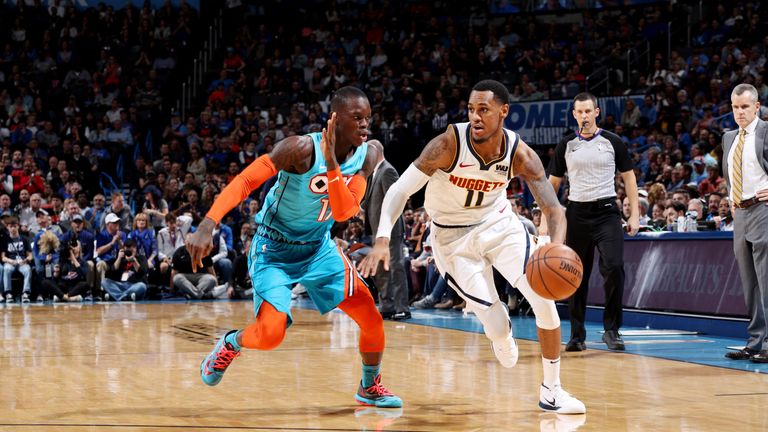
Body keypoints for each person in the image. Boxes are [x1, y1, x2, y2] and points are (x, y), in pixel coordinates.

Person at [359, 80, 585, 414]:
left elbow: (554, 210)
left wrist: (552, 247)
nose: (475, 117)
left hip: (499, 224)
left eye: (484, 110)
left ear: (503, 112)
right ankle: (500, 331)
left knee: (543, 298)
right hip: (452, 238)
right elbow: (399, 192)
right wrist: (380, 239)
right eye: (470, 109)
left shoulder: (519, 153)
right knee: (494, 324)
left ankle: (552, 390)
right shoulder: (449, 144)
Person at [185, 86, 401, 408]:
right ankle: (231, 343)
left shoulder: (367, 154)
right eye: (356, 118)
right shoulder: (300, 150)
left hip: (318, 248)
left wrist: (331, 165)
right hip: (274, 248)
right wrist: (208, 223)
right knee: (270, 335)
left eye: (367, 118)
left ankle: (369, 386)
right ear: (335, 120)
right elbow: (246, 181)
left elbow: (343, 212)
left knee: (371, 317)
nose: (364, 124)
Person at [547, 92, 640, 352]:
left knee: (614, 267)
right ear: (574, 114)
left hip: (607, 211)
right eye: (580, 112)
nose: (584, 116)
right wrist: (545, 221)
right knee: (576, 275)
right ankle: (577, 335)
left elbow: (629, 178)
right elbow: (552, 185)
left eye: (589, 111)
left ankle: (612, 330)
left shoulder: (613, 141)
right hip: (576, 214)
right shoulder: (566, 145)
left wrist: (635, 214)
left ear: (596, 112)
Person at [722, 83, 768, 363]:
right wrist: (731, 199)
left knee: (766, 278)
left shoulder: (765, 131)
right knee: (749, 281)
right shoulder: (729, 137)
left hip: (763, 208)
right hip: (740, 212)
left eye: (745, 107)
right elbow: (730, 174)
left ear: (757, 107)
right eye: (735, 107)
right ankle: (755, 341)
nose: (740, 112)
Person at [362, 139, 410, 320]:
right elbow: (370, 203)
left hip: (390, 230)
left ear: (375, 151)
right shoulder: (374, 173)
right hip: (378, 230)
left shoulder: (388, 170)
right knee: (382, 269)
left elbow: (396, 202)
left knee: (396, 266)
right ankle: (386, 306)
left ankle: (402, 307)